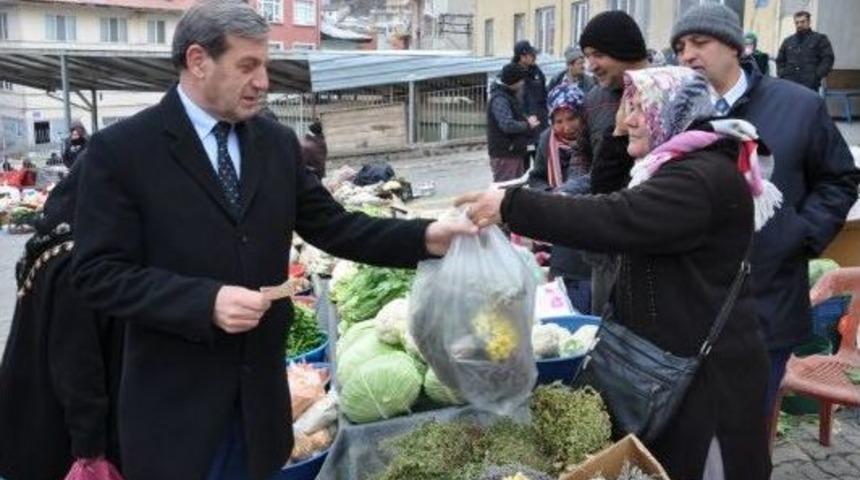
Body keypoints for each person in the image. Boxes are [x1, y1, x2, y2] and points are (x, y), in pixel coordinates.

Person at [69, 2, 473, 479]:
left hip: (259, 409)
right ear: (198, 61)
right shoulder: (123, 151)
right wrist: (205, 301)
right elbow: (98, 275)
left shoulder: (276, 144)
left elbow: (336, 227)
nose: (263, 81)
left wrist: (427, 235)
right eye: (248, 66)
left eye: (264, 65)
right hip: (176, 416)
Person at [457, 66, 774, 480]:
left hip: (707, 380)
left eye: (643, 107)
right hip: (670, 363)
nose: (629, 119)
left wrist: (512, 206)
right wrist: (621, 132)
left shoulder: (699, 178)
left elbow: (614, 217)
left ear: (673, 110)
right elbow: (606, 188)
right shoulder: (667, 164)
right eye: (629, 107)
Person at [672, 3, 860, 414]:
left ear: (735, 47)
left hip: (765, 305)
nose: (687, 55)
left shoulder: (799, 106)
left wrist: (799, 233)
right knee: (691, 434)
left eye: (699, 42)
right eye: (680, 46)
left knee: (746, 435)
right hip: (690, 306)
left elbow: (839, 179)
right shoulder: (675, 113)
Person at [0, 162, 124, 480]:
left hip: (30, 405)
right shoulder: (79, 263)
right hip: (59, 434)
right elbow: (78, 364)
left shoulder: (57, 236)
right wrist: (90, 450)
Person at [577, 10, 650, 316]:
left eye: (598, 54)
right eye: (586, 56)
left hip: (650, 246)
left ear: (625, 50)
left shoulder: (668, 92)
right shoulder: (595, 98)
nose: (590, 65)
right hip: (605, 245)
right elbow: (583, 156)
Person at [527, 83, 591, 313]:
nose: (565, 127)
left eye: (571, 118)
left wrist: (566, 193)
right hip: (558, 224)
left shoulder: (594, 139)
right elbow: (537, 177)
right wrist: (548, 195)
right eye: (558, 121)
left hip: (588, 223)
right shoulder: (547, 141)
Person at [487, 62, 540, 182]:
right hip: (505, 154)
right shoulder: (500, 99)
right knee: (506, 190)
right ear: (513, 81)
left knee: (515, 190)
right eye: (521, 80)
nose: (523, 83)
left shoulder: (509, 95)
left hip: (513, 152)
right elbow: (507, 125)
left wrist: (526, 119)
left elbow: (514, 116)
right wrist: (528, 125)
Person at [776, 10, 834, 91]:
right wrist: (782, 74)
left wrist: (816, 76)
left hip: (809, 85)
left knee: (808, 104)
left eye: (803, 22)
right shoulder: (788, 41)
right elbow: (780, 60)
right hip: (789, 83)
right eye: (797, 22)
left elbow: (828, 59)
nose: (799, 25)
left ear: (809, 22)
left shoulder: (820, 39)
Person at [513, 40, 548, 170]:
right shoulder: (512, 74)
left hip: (539, 127)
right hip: (523, 129)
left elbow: (544, 98)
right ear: (522, 57)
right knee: (523, 169)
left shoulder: (537, 73)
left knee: (542, 167)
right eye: (532, 54)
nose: (535, 57)